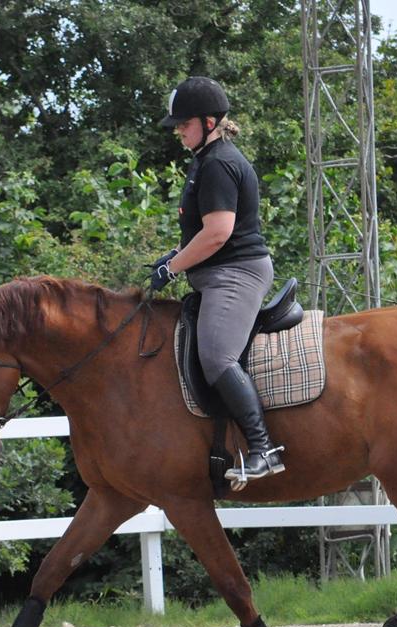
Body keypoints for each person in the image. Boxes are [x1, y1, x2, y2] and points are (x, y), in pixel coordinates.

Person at [150, 76, 284, 484]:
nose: (179, 130)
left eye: (184, 123)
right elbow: (200, 232)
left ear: (209, 122)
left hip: (235, 273)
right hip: (217, 272)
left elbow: (218, 233)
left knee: (216, 357)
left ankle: (263, 449)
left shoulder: (219, 164)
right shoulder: (205, 160)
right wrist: (175, 255)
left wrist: (173, 269)